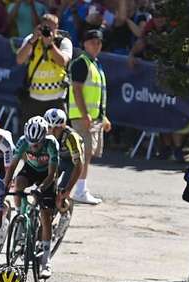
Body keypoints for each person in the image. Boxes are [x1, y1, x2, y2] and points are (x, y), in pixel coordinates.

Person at [3, 116, 59, 279]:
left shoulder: (51, 143)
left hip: (46, 176)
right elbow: (12, 167)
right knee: (19, 184)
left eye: (37, 144)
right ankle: (21, 216)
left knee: (45, 214)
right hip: (30, 170)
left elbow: (52, 174)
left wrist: (40, 189)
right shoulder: (22, 142)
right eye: (31, 143)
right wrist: (5, 186)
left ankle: (46, 261)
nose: (34, 147)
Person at [68, 28, 110, 206]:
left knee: (87, 154)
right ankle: (79, 190)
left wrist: (104, 117)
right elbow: (77, 90)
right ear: (84, 43)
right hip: (82, 117)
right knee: (83, 154)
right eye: (93, 42)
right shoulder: (81, 63)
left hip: (93, 118)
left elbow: (97, 95)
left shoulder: (95, 64)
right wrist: (85, 114)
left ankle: (79, 188)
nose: (97, 45)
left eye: (99, 42)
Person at [15, 13, 72, 121]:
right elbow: (19, 60)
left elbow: (62, 62)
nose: (48, 31)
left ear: (57, 28)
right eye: (45, 27)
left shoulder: (63, 42)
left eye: (51, 28)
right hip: (34, 99)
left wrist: (50, 45)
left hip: (57, 99)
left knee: (57, 135)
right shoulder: (32, 40)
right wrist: (32, 40)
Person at [43, 107, 83, 216]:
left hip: (72, 163)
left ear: (64, 126)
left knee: (61, 192)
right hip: (58, 160)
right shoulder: (43, 133)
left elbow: (79, 165)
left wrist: (68, 189)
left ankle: (64, 213)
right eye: (50, 127)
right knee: (45, 188)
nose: (53, 131)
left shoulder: (71, 137)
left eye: (57, 128)